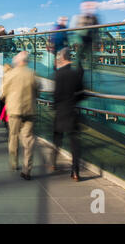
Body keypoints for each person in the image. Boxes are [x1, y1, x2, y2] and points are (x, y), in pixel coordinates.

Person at [1, 51, 39, 180]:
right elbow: (38, 92)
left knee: (13, 137)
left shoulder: (10, 74)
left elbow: (2, 93)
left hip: (14, 111)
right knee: (28, 140)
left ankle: (13, 162)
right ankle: (27, 170)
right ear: (26, 61)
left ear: (17, 61)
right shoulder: (32, 74)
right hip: (29, 110)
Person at [52, 48, 85, 181]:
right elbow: (82, 93)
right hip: (72, 111)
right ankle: (75, 172)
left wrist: (56, 105)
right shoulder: (75, 73)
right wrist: (73, 100)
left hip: (60, 111)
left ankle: (53, 163)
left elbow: (56, 95)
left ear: (62, 58)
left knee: (57, 139)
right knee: (74, 144)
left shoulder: (58, 74)